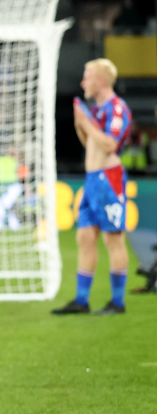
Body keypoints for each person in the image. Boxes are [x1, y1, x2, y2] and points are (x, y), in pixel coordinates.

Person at [53, 59, 132, 315]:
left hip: (108, 178)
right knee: (85, 237)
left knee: (113, 239)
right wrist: (80, 124)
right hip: (91, 179)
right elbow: (91, 144)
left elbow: (109, 145)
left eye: (87, 77)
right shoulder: (97, 110)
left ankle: (117, 303)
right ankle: (81, 300)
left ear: (100, 80)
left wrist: (85, 123)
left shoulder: (117, 109)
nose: (82, 82)